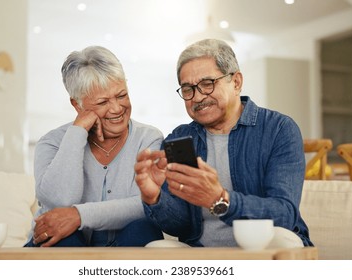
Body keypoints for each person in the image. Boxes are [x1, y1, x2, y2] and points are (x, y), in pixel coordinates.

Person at [134, 39, 313, 247]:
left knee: (284, 242)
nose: (198, 97)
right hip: (202, 251)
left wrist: (220, 199)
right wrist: (154, 197)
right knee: (156, 248)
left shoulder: (278, 129)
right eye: (188, 89)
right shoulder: (180, 138)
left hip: (262, 245)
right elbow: (180, 226)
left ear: (236, 82)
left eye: (207, 84)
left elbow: (284, 214)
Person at [25, 46, 163, 247]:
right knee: (65, 239)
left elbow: (145, 205)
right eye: (102, 102)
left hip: (121, 246)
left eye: (121, 95)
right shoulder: (51, 142)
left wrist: (79, 215)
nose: (116, 108)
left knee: (143, 228)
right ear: (77, 105)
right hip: (63, 245)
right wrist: (78, 130)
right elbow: (60, 203)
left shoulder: (148, 138)